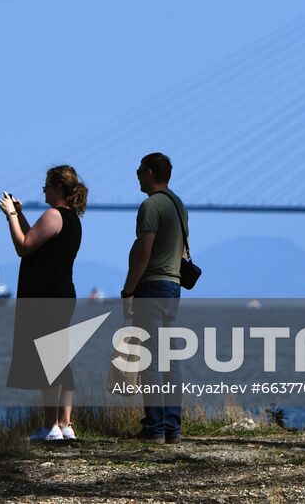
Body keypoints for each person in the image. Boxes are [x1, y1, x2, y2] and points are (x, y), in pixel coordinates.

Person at [0, 164, 86, 442]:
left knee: (50, 360)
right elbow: (35, 242)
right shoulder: (70, 218)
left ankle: (50, 426)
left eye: (47, 185)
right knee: (62, 359)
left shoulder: (54, 215)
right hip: (61, 294)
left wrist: (10, 215)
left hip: (46, 296)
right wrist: (21, 215)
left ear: (59, 187)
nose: (43, 190)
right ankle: (65, 424)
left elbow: (23, 246)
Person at [119, 151, 189, 442]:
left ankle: (154, 428)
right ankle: (172, 428)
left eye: (139, 170)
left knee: (149, 359)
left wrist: (128, 291)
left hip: (152, 286)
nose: (136, 174)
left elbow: (143, 252)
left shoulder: (150, 206)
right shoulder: (178, 205)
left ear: (149, 173)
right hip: (174, 287)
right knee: (171, 360)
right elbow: (184, 250)